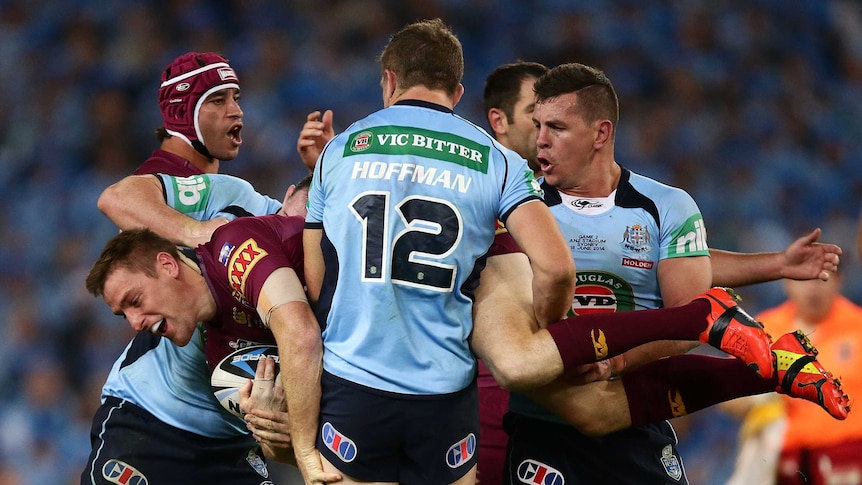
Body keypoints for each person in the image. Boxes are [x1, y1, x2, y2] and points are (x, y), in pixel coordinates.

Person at [476, 60, 846, 485]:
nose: (539, 140)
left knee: (607, 394)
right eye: (537, 125)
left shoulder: (665, 206)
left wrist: (617, 362)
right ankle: (772, 370)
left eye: (556, 128)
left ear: (601, 133)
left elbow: (688, 314)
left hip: (637, 424)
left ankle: (770, 369)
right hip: (542, 433)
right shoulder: (517, 202)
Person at [82, 51, 288, 485]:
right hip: (150, 425)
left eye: (237, 98)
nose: (237, 111)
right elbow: (115, 198)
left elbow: (299, 225)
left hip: (231, 442)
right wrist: (200, 235)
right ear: (183, 112)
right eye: (217, 100)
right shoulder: (193, 191)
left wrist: (319, 178)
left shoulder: (237, 201)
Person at [85, 212, 340, 484]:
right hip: (212, 447)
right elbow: (284, 450)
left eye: (134, 301)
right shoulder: (222, 353)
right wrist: (275, 434)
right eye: (123, 314)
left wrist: (303, 448)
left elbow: (301, 335)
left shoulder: (232, 247)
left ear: (168, 265)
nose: (135, 324)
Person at [761, 273, 862, 484]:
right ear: (786, 283)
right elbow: (728, 398)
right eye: (802, 279)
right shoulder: (765, 328)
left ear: (838, 281)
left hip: (847, 454)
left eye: (821, 279)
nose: (812, 289)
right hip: (787, 457)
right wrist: (759, 400)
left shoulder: (858, 324)